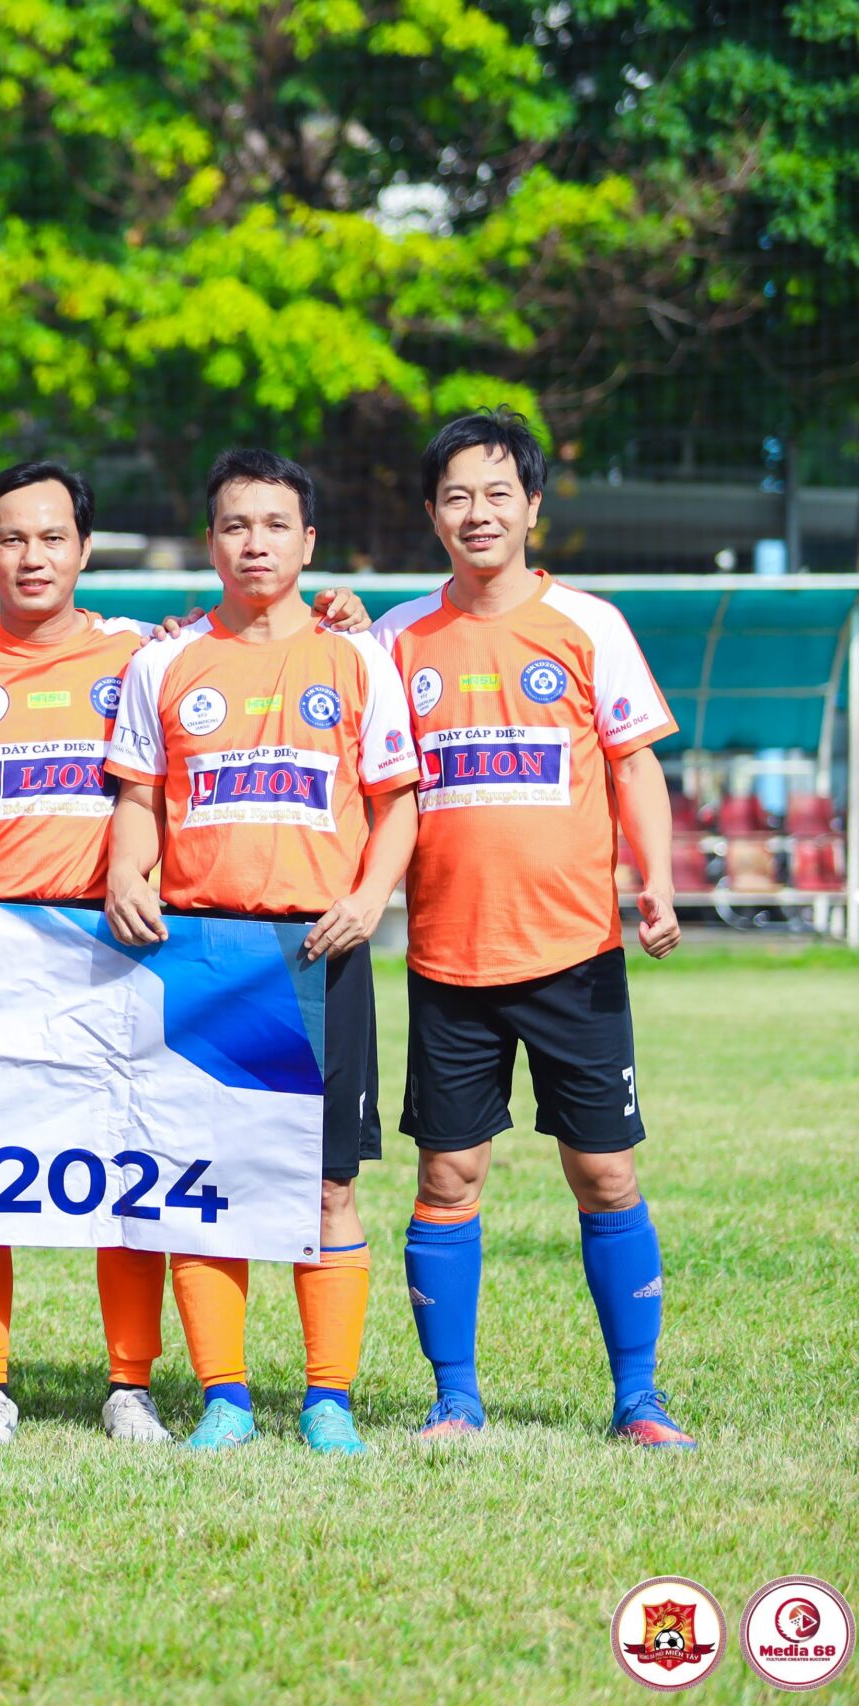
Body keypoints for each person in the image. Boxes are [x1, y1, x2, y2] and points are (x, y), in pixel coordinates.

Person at [0, 462, 375, 1446]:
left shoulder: (145, 649)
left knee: (129, 1164)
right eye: (12, 538)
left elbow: (250, 645)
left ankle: (131, 1382)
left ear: (85, 549)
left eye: (53, 536)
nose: (33, 556)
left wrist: (341, 612)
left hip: (117, 948)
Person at [371, 408, 694, 1448]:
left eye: (497, 493)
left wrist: (655, 879)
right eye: (456, 496)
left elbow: (634, 765)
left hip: (574, 956)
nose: (478, 513)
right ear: (432, 514)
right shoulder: (395, 637)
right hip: (448, 959)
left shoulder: (590, 624)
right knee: (447, 1177)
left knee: (605, 1173)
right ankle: (454, 1398)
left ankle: (638, 1399)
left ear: (532, 506)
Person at [103, 448, 418, 1456]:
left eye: (276, 524)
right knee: (206, 1178)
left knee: (329, 1184)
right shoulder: (163, 662)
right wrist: (125, 872)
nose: (255, 542)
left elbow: (396, 804)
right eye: (236, 524)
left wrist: (368, 898)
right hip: (204, 949)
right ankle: (225, 1398)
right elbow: (139, 796)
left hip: (320, 947)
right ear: (211, 542)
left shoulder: (357, 659)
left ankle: (328, 1399)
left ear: (307, 542)